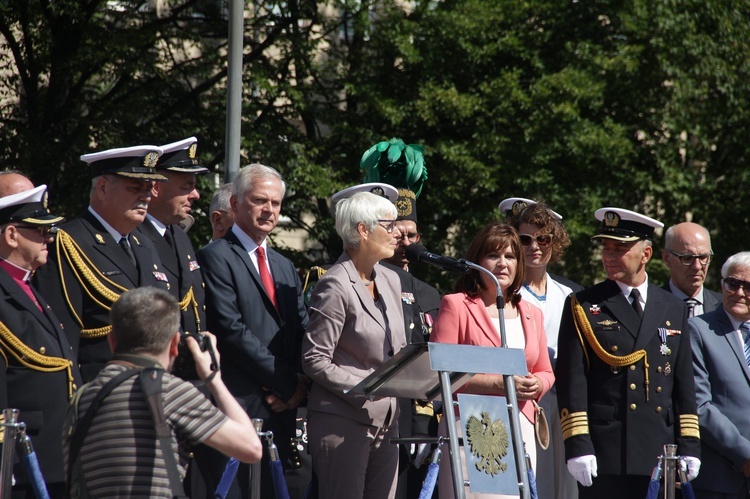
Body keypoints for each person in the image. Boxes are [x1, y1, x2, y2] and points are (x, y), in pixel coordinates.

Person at [555, 207, 701, 499]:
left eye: (620, 248)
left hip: (659, 451)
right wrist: (578, 445)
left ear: (645, 254)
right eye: (606, 248)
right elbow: (572, 380)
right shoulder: (584, 305)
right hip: (607, 450)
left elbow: (683, 383)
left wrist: (689, 444)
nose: (609, 256)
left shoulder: (671, 306)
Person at [62, 286, 263, 498]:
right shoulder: (168, 391)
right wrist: (214, 379)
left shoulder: (82, 398)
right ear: (175, 344)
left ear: (111, 341)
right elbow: (251, 448)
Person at [196, 164, 309, 498]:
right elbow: (232, 331)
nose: (269, 210)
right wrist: (288, 384)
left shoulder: (284, 265)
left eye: (275, 203)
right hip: (240, 406)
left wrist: (301, 385)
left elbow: (301, 330)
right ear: (234, 204)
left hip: (283, 412)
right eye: (260, 200)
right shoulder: (214, 257)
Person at [430, 222, 554, 499]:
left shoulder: (531, 312)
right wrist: (500, 384)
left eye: (510, 256)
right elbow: (441, 376)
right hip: (473, 425)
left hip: (521, 425)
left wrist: (537, 384)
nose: (502, 264)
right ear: (477, 262)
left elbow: (546, 370)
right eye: (493, 256)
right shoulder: (456, 305)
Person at [33, 145, 170, 381]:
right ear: (103, 188)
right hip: (100, 388)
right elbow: (63, 337)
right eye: (136, 187)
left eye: (149, 189)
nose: (146, 196)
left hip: (151, 385)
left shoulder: (144, 245)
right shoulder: (69, 243)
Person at [302, 191, 407, 499]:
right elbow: (315, 360)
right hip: (343, 419)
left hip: (388, 422)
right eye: (388, 225)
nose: (396, 232)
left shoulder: (391, 280)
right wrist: (369, 385)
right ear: (363, 230)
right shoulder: (334, 284)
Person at [0, 185, 82, 499]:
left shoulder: (28, 286)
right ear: (11, 235)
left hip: (53, 460)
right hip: (22, 464)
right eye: (40, 230)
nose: (49, 237)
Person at [510, 201, 580, 499]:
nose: (534, 247)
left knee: (562, 488)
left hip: (562, 404)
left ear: (555, 242)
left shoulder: (570, 295)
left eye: (543, 239)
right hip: (519, 400)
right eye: (525, 239)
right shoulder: (504, 295)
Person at [688, 252, 750, 499]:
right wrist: (744, 453)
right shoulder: (699, 330)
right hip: (721, 478)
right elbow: (700, 405)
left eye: (748, 286)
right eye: (732, 283)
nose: (739, 292)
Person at [136, 137, 208, 335]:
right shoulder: (134, 237)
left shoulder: (179, 235)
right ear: (156, 188)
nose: (195, 195)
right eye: (187, 187)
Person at [662, 222, 721, 317]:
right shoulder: (649, 305)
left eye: (703, 257)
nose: (697, 266)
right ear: (667, 258)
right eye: (687, 258)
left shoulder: (725, 308)